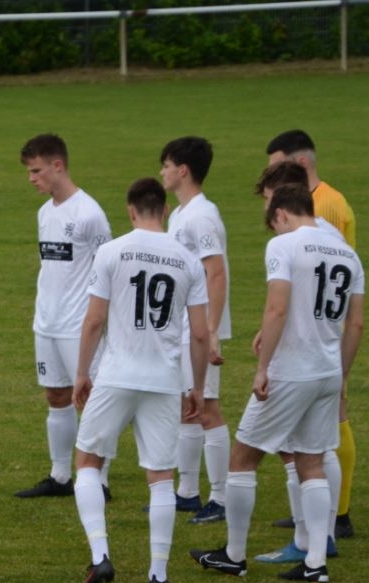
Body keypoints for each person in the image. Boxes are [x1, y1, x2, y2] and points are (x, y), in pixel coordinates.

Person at [190, 184, 364, 583]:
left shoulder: (284, 246)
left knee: (242, 458)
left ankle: (234, 555)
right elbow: (355, 324)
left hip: (291, 370)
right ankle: (316, 562)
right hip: (326, 371)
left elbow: (278, 306)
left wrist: (262, 366)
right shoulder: (347, 253)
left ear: (282, 213)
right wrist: (341, 377)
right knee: (311, 462)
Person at [72, 178, 209, 583]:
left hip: (116, 374)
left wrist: (81, 373)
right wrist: (197, 387)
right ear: (164, 210)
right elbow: (200, 334)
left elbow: (94, 320)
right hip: (164, 380)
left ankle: (100, 555)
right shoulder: (188, 261)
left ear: (130, 211)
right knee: (160, 476)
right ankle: (157, 575)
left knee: (88, 461)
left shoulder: (111, 252)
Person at [266, 130, 357, 538]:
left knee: (327, 426)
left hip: (318, 338)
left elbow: (322, 282)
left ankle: (333, 518)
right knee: (315, 438)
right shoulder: (315, 215)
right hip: (319, 337)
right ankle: (321, 524)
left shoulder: (325, 210)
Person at [249, 162, 341, 565]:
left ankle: (307, 537)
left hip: (300, 360)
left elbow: (284, 302)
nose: (268, 213)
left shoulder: (292, 241)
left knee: (293, 452)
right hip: (328, 356)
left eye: (270, 201)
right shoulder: (333, 237)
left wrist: (267, 356)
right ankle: (322, 535)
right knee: (317, 450)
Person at [15, 134, 113, 500]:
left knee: (93, 400)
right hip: (47, 324)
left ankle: (99, 481)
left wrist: (102, 320)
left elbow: (109, 271)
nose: (31, 178)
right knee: (56, 395)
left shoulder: (90, 214)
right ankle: (59, 476)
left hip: (79, 326)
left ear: (58, 166)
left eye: (36, 170)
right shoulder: (45, 212)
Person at [160, 136, 231, 523]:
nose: (162, 172)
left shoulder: (201, 216)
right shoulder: (180, 214)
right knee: (186, 406)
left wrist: (212, 329)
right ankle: (187, 491)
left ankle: (221, 498)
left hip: (200, 326)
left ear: (183, 170)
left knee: (208, 409)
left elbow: (215, 272)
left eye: (167, 165)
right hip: (183, 323)